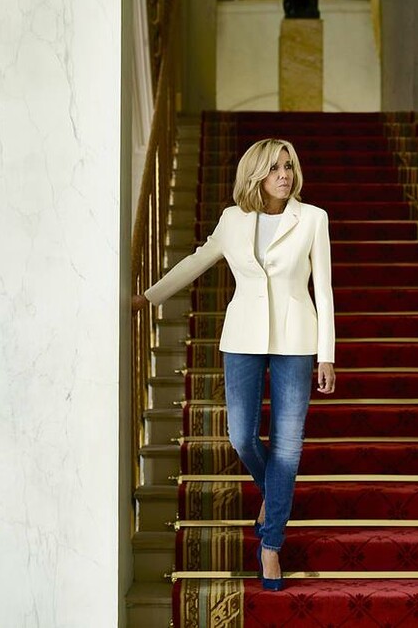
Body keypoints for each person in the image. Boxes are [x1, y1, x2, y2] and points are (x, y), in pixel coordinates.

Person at [132, 138, 336, 591]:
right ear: (256, 174)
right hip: (242, 337)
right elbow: (196, 262)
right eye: (275, 168)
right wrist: (147, 298)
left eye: (289, 166)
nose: (284, 175)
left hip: (296, 340)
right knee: (241, 436)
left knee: (288, 446)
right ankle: (274, 494)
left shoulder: (313, 218)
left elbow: (323, 289)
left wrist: (327, 354)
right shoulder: (232, 220)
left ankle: (271, 544)